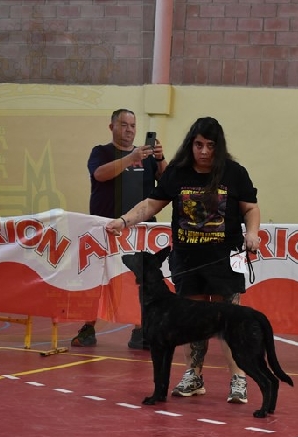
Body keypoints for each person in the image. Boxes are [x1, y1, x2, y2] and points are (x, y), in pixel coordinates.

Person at [106, 116, 261, 404]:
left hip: (226, 258)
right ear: (191, 144)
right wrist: (124, 221)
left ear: (219, 147)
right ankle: (194, 375)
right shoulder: (177, 173)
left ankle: (238, 378)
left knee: (230, 319)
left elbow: (250, 208)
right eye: (198, 145)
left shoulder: (234, 172)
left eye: (210, 146)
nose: (204, 151)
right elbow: (151, 205)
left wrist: (252, 233)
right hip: (187, 259)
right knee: (191, 321)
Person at [71, 108, 167, 349]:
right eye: (124, 125)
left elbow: (167, 183)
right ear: (112, 126)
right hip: (106, 226)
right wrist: (131, 158)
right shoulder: (101, 152)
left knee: (140, 279)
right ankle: (88, 327)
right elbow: (100, 174)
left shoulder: (147, 157)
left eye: (133, 125)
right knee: (98, 277)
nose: (129, 130)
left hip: (141, 228)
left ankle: (140, 329)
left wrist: (159, 158)